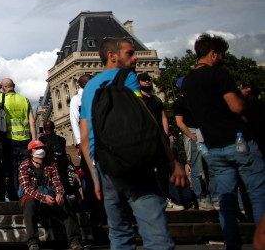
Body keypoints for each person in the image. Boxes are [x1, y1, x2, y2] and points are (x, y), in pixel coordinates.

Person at [80, 38, 185, 250]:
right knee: (155, 233)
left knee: (119, 234)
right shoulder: (128, 77)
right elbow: (149, 120)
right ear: (112, 56)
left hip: (105, 164)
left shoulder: (90, 86)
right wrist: (171, 159)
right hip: (136, 162)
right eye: (130, 53)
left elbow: (84, 138)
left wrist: (95, 176)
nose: (135, 57)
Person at [183, 34, 265, 250]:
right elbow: (236, 107)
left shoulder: (188, 81)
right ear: (213, 53)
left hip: (213, 146)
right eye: (222, 55)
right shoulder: (218, 73)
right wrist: (243, 97)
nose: (223, 59)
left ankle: (232, 244)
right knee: (258, 195)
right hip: (237, 140)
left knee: (226, 199)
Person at [19, 141, 83, 250]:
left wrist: (59, 194)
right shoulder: (24, 166)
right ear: (30, 152)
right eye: (37, 148)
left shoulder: (51, 165)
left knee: (67, 201)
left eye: (42, 148)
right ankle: (33, 242)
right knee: (29, 202)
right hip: (36, 200)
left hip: (51, 199)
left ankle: (74, 240)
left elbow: (57, 183)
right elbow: (26, 188)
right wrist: (43, 198)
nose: (40, 150)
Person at [136, 72, 182, 211]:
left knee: (163, 169)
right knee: (152, 170)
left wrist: (166, 135)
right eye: (144, 81)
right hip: (148, 139)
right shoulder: (139, 99)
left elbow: (164, 117)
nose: (148, 82)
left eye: (149, 80)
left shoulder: (156, 99)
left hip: (161, 137)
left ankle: (167, 198)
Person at [173, 77, 214, 210]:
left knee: (210, 166)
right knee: (196, 167)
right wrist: (192, 136)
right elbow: (179, 122)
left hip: (202, 133)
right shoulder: (180, 102)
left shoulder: (199, 100)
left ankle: (214, 196)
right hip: (193, 134)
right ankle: (201, 198)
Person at [0, 78, 37, 200]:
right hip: (26, 140)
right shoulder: (24, 99)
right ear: (14, 86)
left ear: (4, 88)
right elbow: (32, 121)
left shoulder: (1, 98)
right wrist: (34, 142)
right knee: (26, 169)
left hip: (9, 140)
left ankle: (16, 196)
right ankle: (27, 193)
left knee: (12, 170)